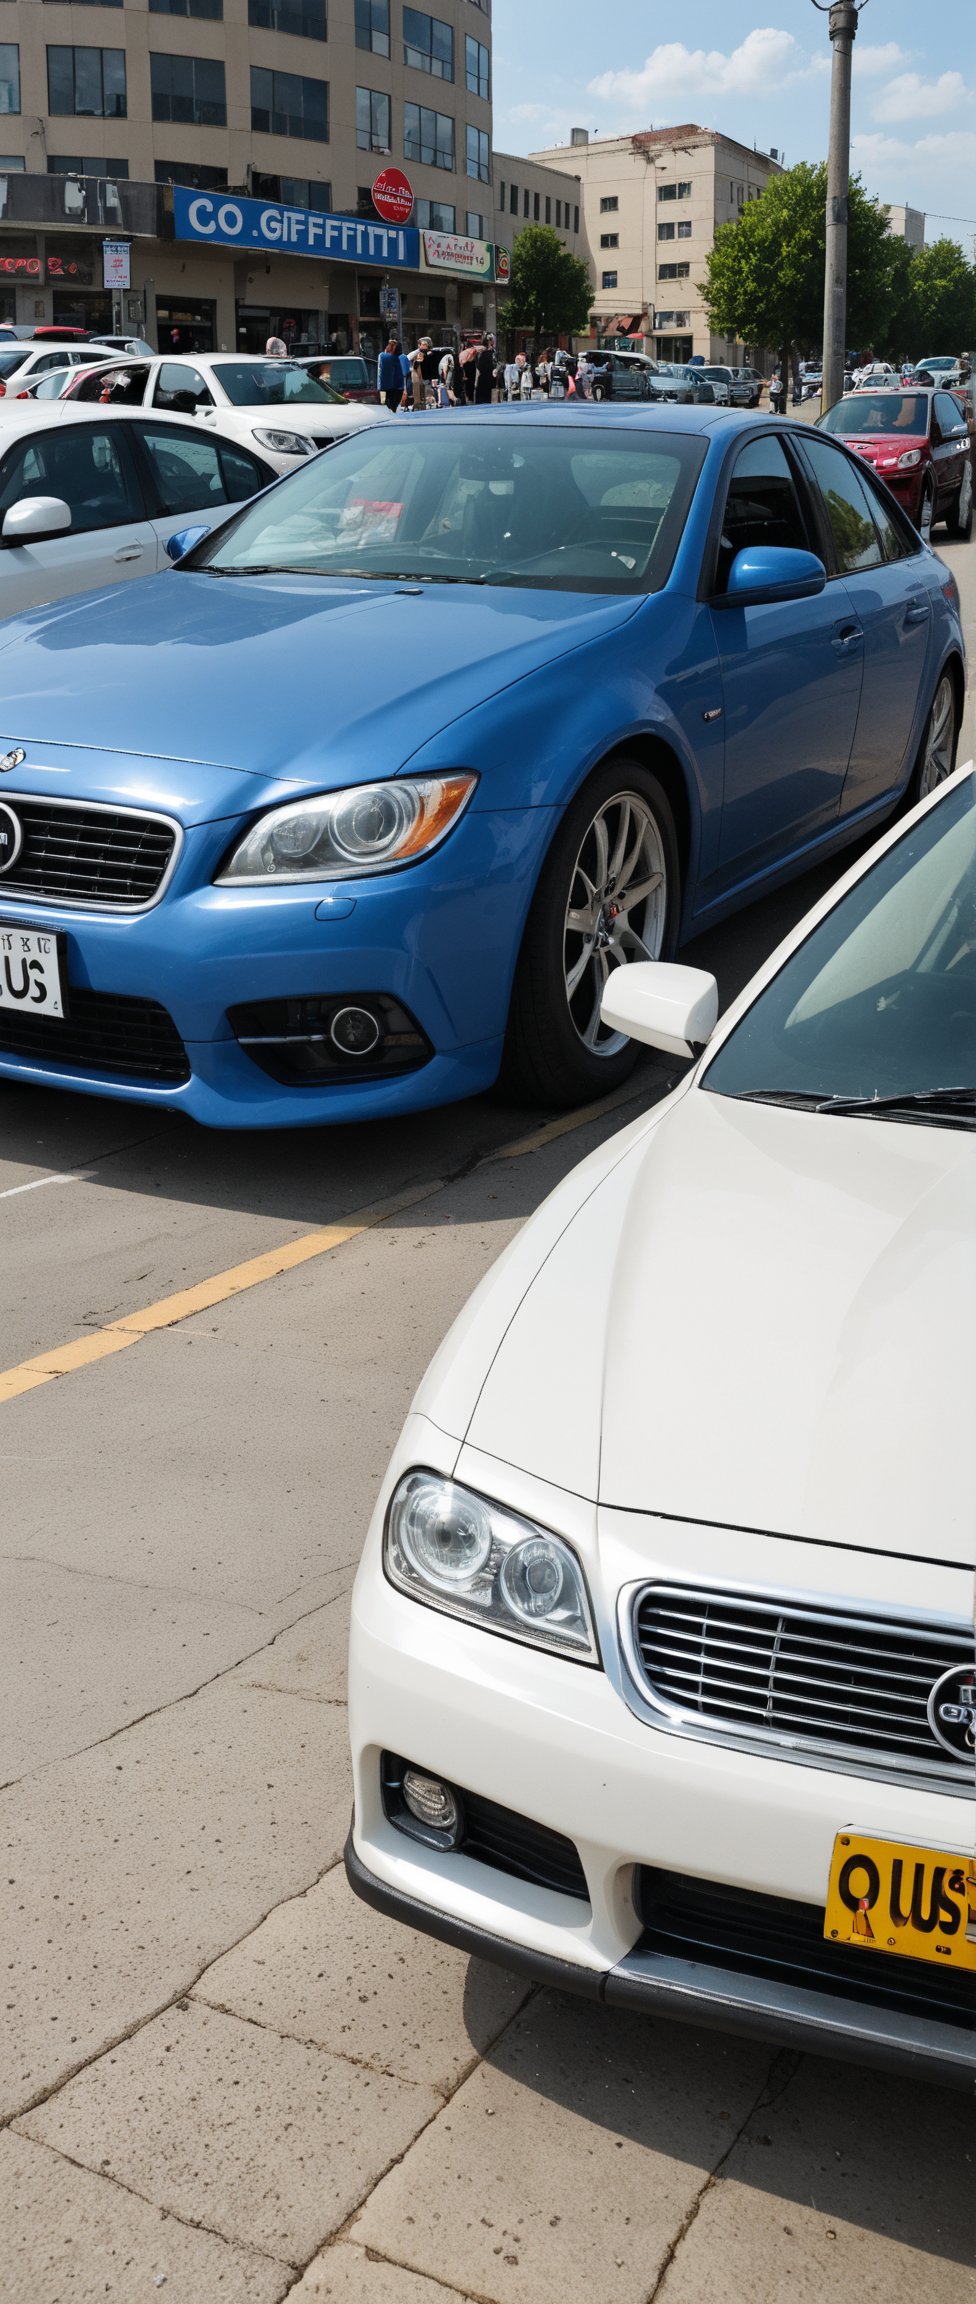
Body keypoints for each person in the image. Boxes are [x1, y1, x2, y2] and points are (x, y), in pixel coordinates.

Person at [377, 335, 403, 412]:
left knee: (385, 408)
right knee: (394, 407)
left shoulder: (382, 356)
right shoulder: (400, 358)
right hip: (397, 387)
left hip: (384, 387)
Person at [474, 335, 495, 404]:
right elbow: (479, 366)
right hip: (483, 378)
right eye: (491, 340)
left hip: (491, 378)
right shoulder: (482, 352)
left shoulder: (494, 352)